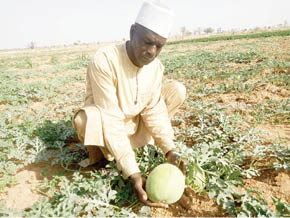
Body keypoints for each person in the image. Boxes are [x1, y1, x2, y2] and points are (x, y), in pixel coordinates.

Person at [72, 0, 187, 208]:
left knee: (177, 90)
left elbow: (154, 110)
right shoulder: (105, 60)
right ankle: (100, 158)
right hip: (109, 127)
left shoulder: (155, 68)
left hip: (136, 124)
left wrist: (170, 149)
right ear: (132, 32)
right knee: (85, 119)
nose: (151, 51)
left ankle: (140, 146)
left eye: (159, 46)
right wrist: (133, 173)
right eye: (147, 42)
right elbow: (111, 118)